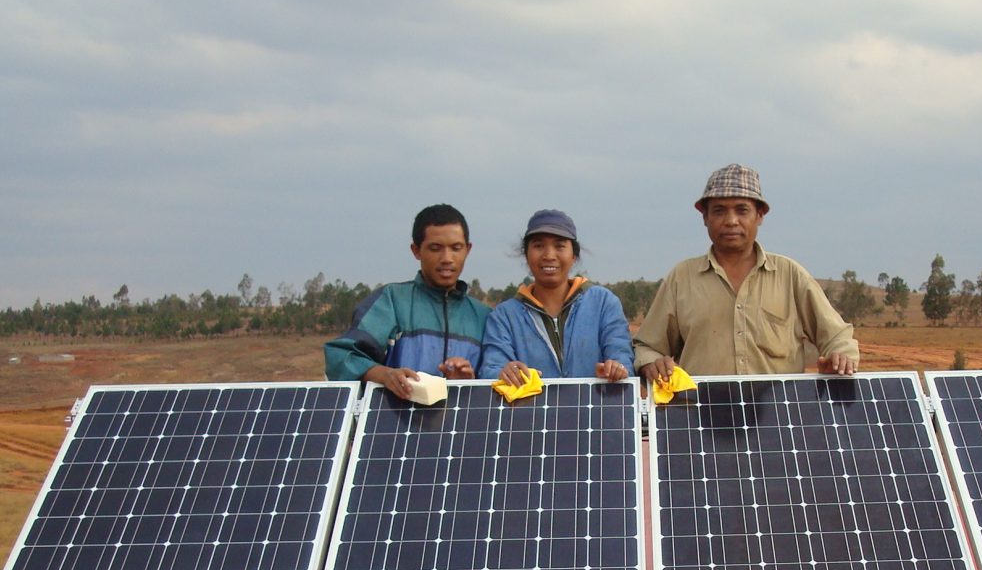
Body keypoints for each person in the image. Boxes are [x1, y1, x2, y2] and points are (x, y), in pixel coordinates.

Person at [633, 164, 859, 382]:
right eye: (719, 211)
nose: (731, 221)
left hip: (775, 408)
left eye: (742, 210)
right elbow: (648, 347)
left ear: (760, 215)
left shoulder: (790, 276)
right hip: (702, 408)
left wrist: (840, 357)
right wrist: (651, 363)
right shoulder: (682, 279)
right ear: (705, 217)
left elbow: (837, 337)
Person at [323, 203, 489, 399]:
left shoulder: (484, 316)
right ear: (416, 250)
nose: (447, 258)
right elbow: (340, 357)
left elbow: (495, 382)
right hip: (393, 417)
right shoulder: (392, 301)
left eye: (456, 248)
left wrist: (469, 383)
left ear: (468, 250)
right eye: (435, 248)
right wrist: (384, 375)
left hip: (460, 418)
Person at [478, 210, 633, 385]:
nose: (549, 256)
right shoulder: (504, 317)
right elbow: (491, 369)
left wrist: (615, 369)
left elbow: (622, 357)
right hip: (528, 405)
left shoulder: (603, 303)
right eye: (538, 246)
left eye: (559, 246)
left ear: (574, 255)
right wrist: (503, 373)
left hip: (598, 403)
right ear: (526, 255)